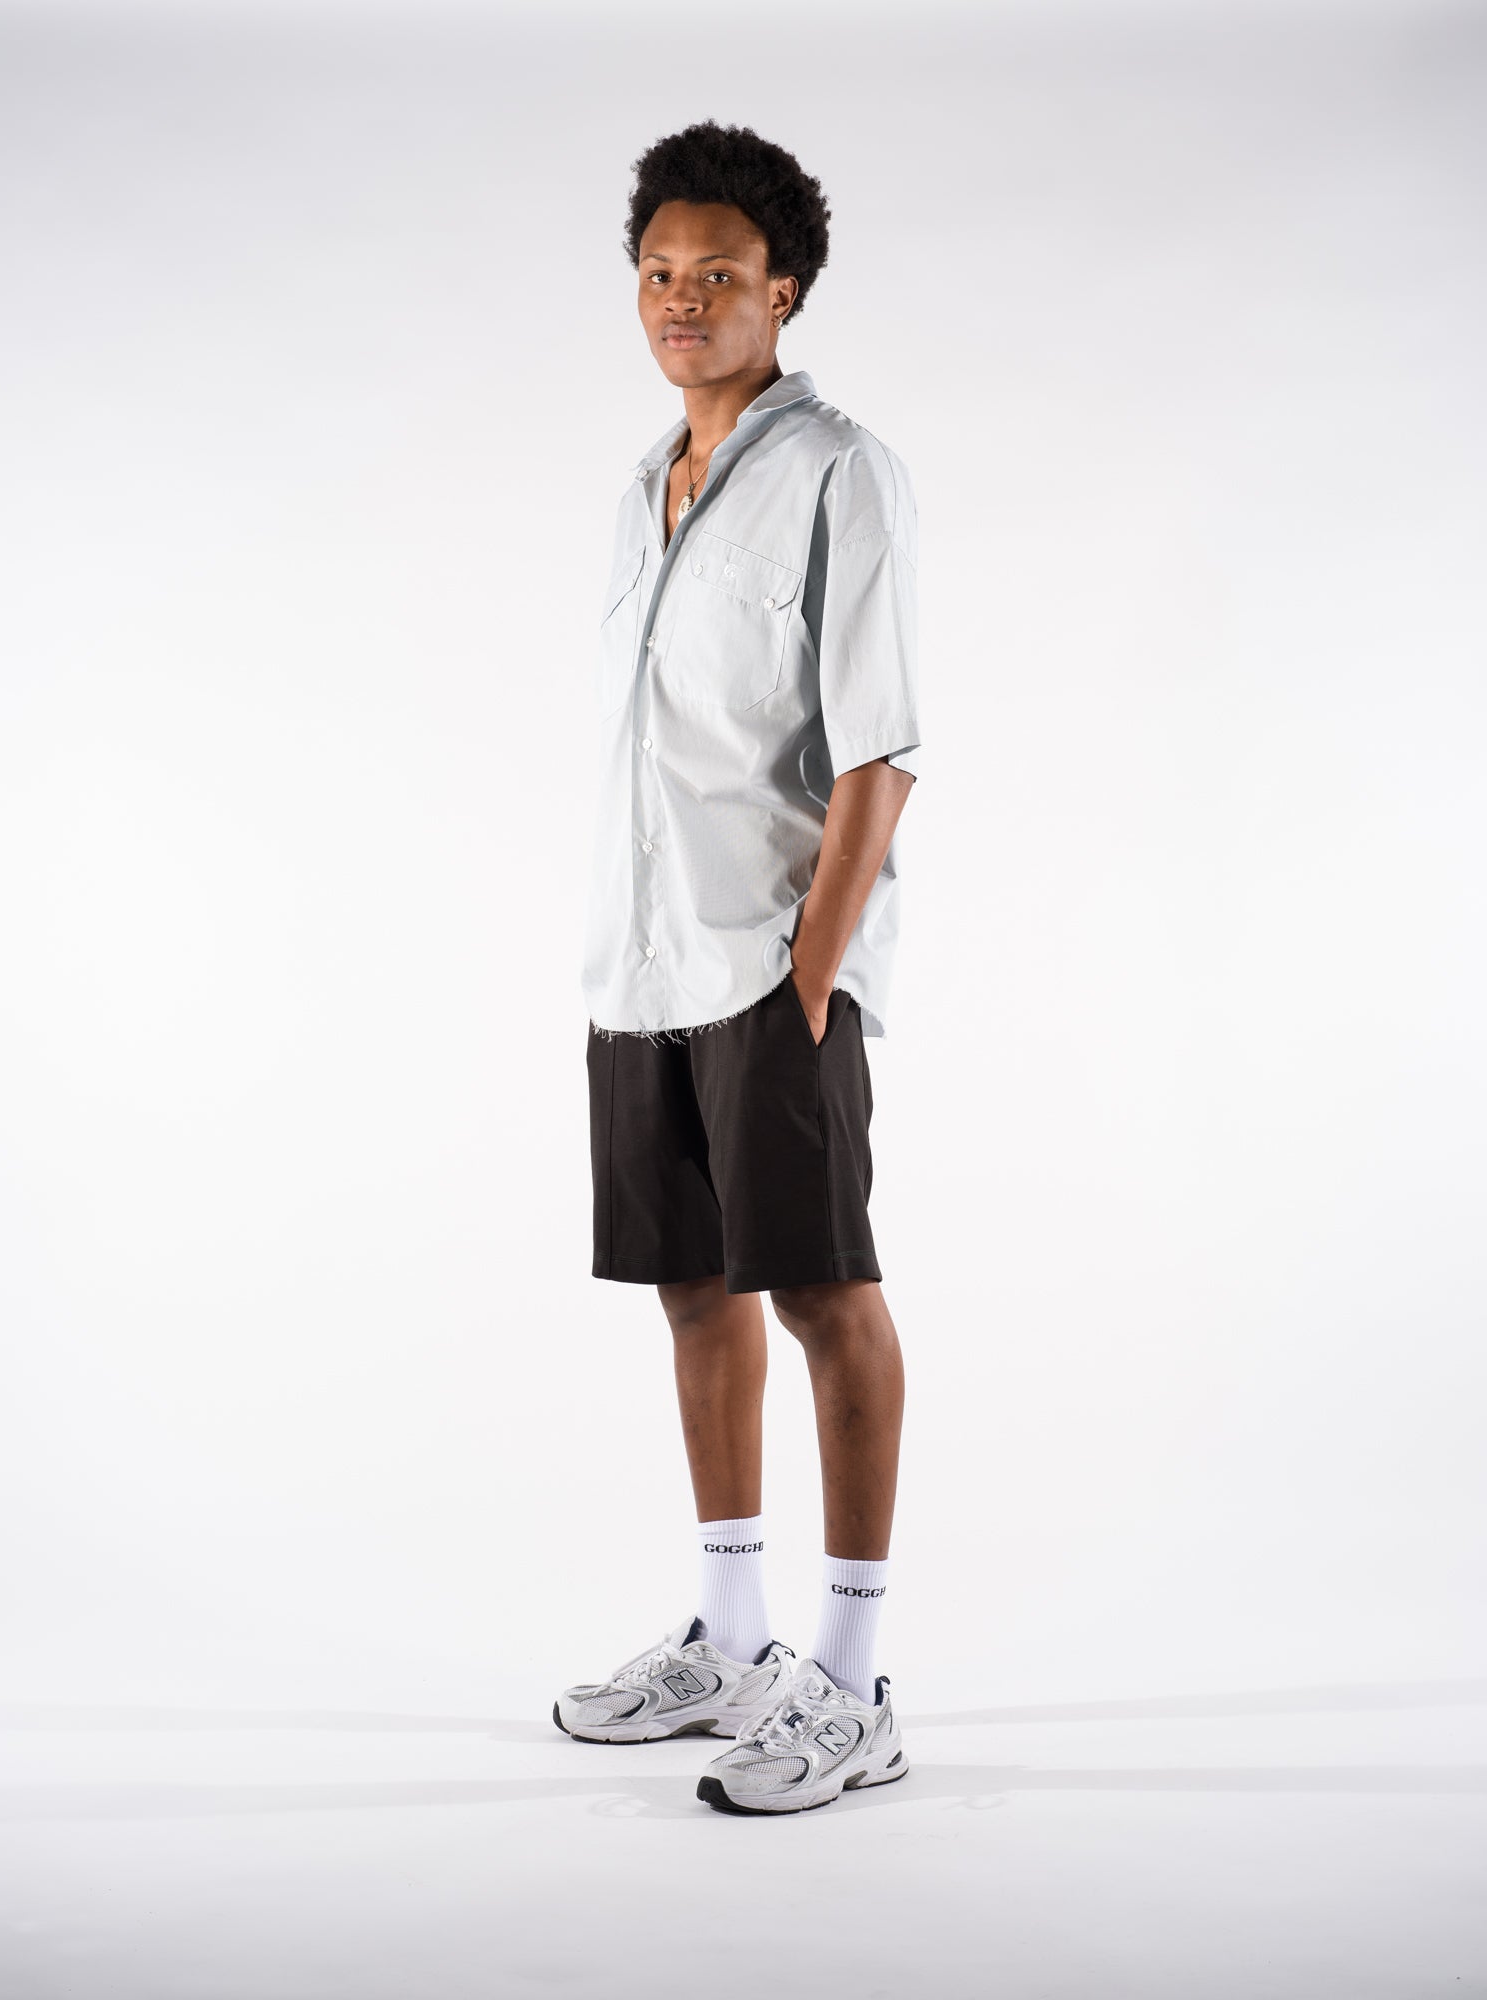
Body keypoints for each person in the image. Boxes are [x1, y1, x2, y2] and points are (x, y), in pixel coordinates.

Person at [555, 120, 921, 1817]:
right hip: (637, 965)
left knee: (824, 1295)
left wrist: (810, 976)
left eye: (718, 274)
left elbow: (881, 751)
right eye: (657, 272)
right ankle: (733, 1638)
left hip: (771, 969)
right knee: (692, 1291)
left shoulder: (842, 472)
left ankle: (851, 1682)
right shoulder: (642, 488)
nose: (681, 300)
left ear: (786, 291)